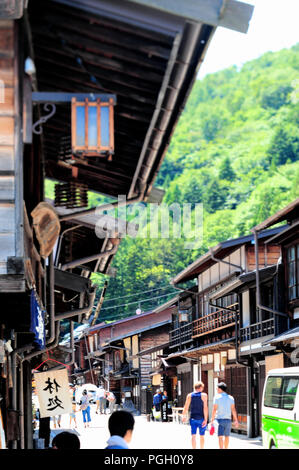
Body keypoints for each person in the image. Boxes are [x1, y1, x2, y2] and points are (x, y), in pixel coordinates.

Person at [210, 382, 239, 449]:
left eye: (217, 388)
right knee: (227, 436)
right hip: (228, 420)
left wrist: (212, 420)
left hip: (219, 420)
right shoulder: (231, 398)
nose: (216, 390)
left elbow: (214, 409)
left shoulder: (216, 398)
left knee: (220, 437)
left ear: (220, 389)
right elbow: (233, 410)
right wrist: (236, 420)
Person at [182, 381, 208, 449]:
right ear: (201, 387)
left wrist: (183, 416)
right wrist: (205, 419)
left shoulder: (189, 395)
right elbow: (205, 408)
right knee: (202, 436)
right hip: (201, 418)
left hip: (193, 418)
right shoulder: (204, 395)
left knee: (193, 435)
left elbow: (186, 407)